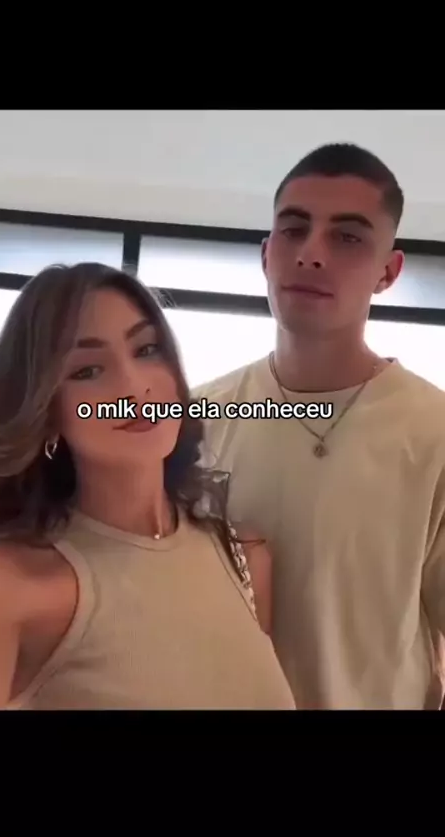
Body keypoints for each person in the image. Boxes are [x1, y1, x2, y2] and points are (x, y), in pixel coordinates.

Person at [0, 261, 295, 710]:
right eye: (87, 371)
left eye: (146, 350)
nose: (134, 388)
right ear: (45, 413)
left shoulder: (245, 558)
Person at [195, 143, 445, 710]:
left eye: (347, 237)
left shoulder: (434, 433)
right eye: (293, 230)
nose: (310, 254)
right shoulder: (192, 419)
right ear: (266, 254)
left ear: (388, 272)